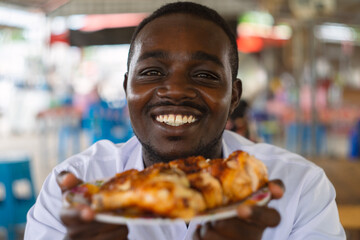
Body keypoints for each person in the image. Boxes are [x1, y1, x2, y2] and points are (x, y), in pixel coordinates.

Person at [25, 2, 345, 240]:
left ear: (234, 97)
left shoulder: (297, 187)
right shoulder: (77, 190)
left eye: (204, 75)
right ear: (127, 88)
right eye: (151, 72)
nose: (175, 91)